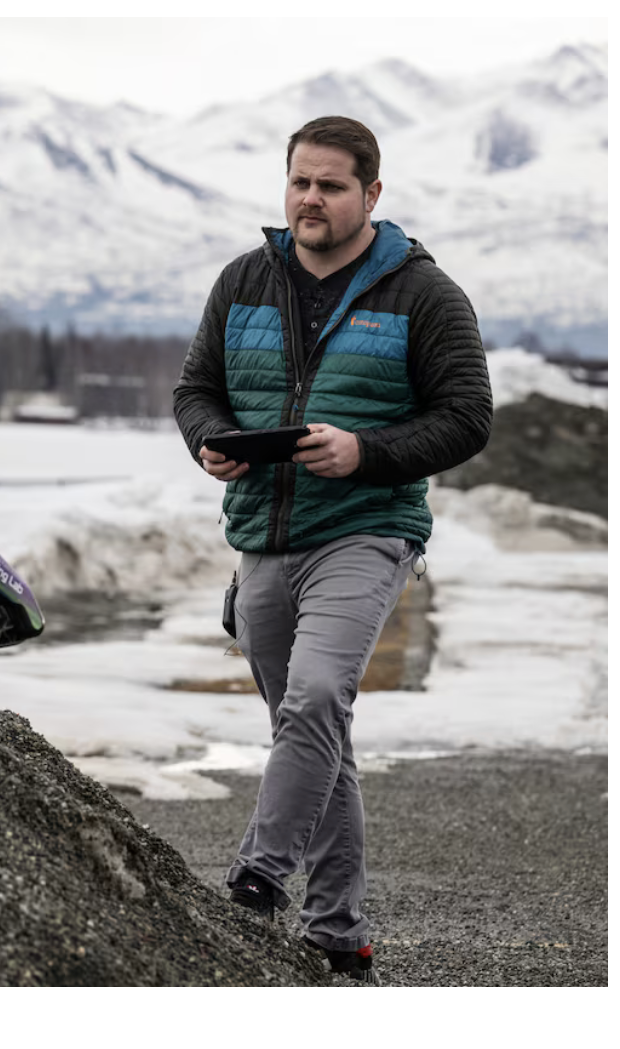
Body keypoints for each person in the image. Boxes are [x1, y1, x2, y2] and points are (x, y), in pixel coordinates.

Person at [173, 115, 492, 984]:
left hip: (366, 529)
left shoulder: (424, 294)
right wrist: (210, 440)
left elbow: (468, 417)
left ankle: (258, 877)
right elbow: (196, 388)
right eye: (300, 182)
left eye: (332, 185)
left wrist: (367, 453)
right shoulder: (244, 280)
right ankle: (338, 931)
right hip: (262, 536)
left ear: (371, 195)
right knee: (315, 734)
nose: (311, 199)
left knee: (315, 698)